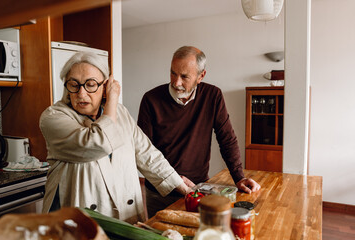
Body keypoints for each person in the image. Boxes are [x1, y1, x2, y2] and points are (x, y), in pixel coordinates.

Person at [39, 51, 191, 224]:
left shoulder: (119, 112)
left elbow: (147, 154)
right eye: (74, 85)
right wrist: (112, 99)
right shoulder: (53, 117)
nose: (81, 94)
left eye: (90, 84)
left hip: (127, 215)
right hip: (83, 221)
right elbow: (98, 143)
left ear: (104, 85)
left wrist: (182, 186)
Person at [137, 46, 261, 217]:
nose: (176, 82)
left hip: (198, 188)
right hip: (160, 191)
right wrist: (172, 178)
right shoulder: (150, 99)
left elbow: (227, 139)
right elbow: (142, 151)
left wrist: (239, 177)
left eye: (184, 76)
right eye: (173, 73)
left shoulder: (213, 95)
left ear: (201, 76)